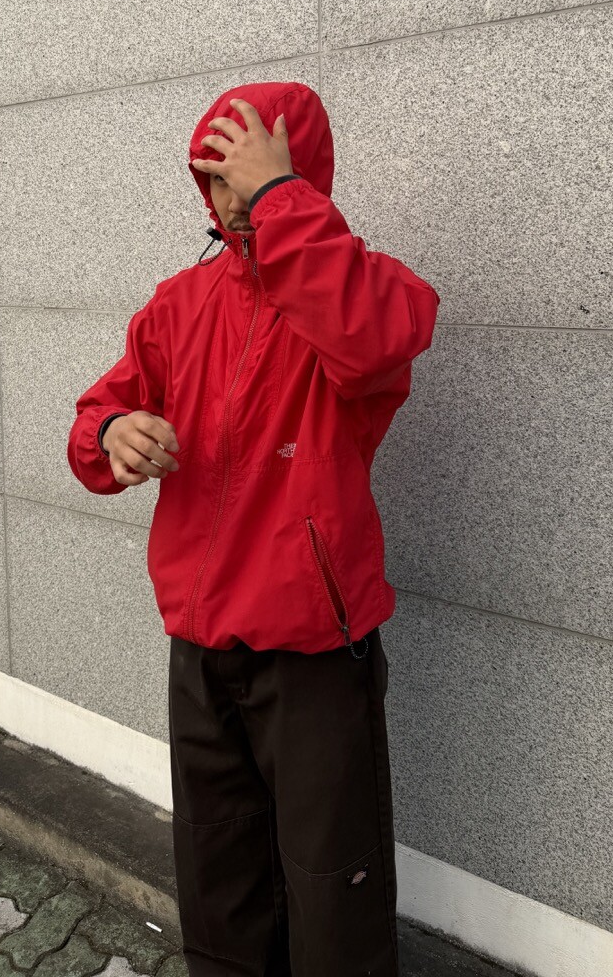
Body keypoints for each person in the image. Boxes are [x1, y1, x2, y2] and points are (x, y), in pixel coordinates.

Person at [67, 81, 439, 976]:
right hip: (200, 646)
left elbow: (370, 341)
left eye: (247, 173)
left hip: (313, 652)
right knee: (219, 874)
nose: (230, 197)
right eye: (215, 177)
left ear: (297, 174)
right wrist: (113, 434)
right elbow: (96, 415)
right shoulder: (179, 304)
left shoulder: (370, 290)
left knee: (331, 888)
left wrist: (281, 200)